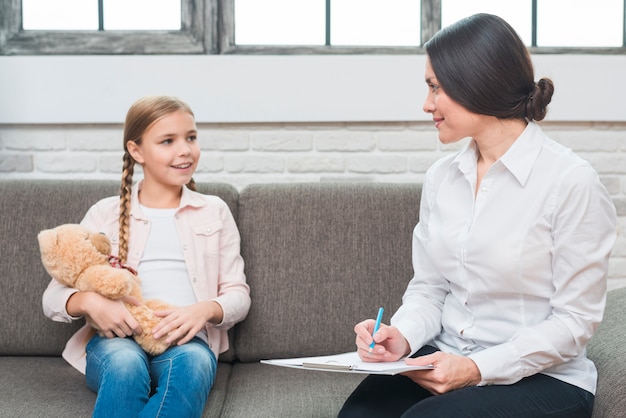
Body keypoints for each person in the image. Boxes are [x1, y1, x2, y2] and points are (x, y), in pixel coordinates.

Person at [338, 13, 617, 418]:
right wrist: (401, 336)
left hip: (543, 379)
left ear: (477, 83)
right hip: (448, 355)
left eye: (435, 88)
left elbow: (574, 322)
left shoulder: (571, 183)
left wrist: (475, 369)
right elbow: (430, 288)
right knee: (359, 416)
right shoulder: (441, 179)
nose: (426, 104)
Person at [42, 96, 251, 418]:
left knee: (194, 363)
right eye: (168, 141)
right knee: (125, 366)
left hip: (187, 343)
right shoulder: (105, 213)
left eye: (191, 138)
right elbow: (53, 297)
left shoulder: (214, 210)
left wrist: (207, 309)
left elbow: (238, 294)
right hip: (116, 341)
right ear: (136, 151)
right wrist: (91, 303)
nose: (184, 150)